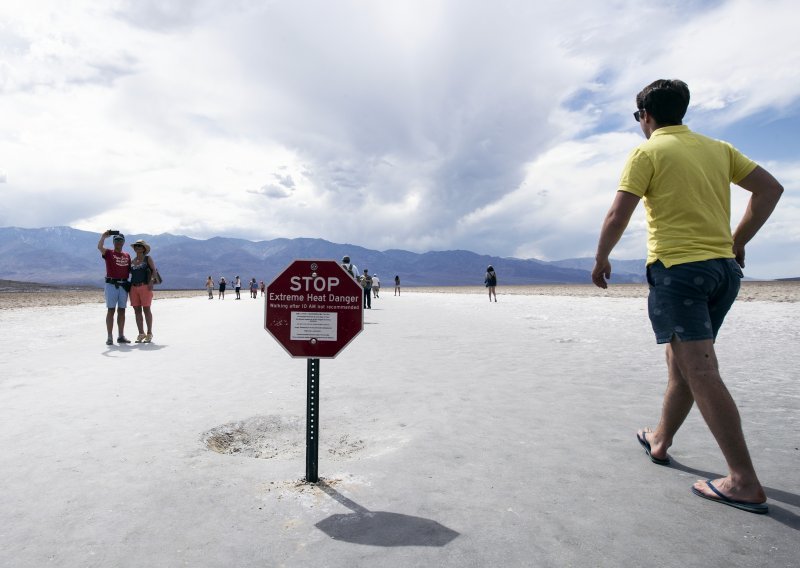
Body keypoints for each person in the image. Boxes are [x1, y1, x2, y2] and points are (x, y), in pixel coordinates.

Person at [591, 79, 783, 515]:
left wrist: (602, 258)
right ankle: (660, 439)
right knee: (682, 365)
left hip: (679, 273)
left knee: (701, 371)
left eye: (638, 118)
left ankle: (743, 480)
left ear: (646, 116)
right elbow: (770, 189)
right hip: (722, 272)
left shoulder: (648, 151)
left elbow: (618, 212)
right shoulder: (719, 149)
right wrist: (737, 241)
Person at [97, 231, 132, 345]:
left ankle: (121, 336)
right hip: (111, 284)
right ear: (113, 242)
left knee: (122, 310)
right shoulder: (109, 253)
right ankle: (109, 337)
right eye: (116, 240)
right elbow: (99, 247)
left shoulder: (127, 255)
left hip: (123, 285)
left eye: (120, 240)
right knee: (111, 310)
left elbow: (132, 270)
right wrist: (103, 237)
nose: (118, 242)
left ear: (123, 242)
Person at [129, 239, 158, 343]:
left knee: (146, 309)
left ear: (144, 248)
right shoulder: (132, 261)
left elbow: (154, 271)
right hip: (133, 287)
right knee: (137, 310)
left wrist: (151, 281)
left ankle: (149, 333)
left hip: (145, 287)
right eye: (136, 246)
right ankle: (141, 333)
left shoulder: (147, 259)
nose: (137, 247)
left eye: (139, 246)